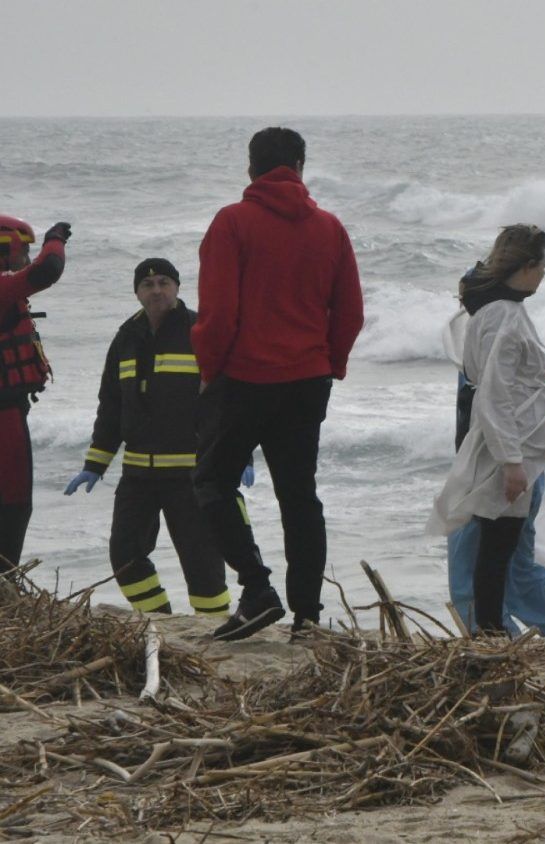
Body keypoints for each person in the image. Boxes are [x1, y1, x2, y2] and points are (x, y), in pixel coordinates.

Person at [193, 127, 365, 641]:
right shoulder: (330, 228)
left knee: (211, 484)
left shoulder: (232, 222)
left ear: (251, 167)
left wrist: (209, 371)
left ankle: (257, 589)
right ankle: (308, 617)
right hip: (307, 380)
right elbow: (350, 313)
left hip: (245, 377)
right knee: (299, 496)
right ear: (301, 165)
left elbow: (218, 313)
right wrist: (329, 364)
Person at [65, 259, 246, 616]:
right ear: (137, 292)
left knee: (202, 561)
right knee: (124, 556)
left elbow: (226, 400)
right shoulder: (125, 337)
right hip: (138, 476)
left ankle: (213, 627)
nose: (156, 291)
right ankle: (159, 621)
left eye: (164, 282)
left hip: (190, 474)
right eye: (148, 285)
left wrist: (239, 455)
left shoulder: (200, 331)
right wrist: (95, 464)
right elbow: (111, 405)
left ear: (177, 287)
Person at [428, 224, 545, 637]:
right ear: (529, 265)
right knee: (498, 548)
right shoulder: (504, 315)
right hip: (508, 445)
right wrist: (511, 461)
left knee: (496, 545)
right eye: (544, 267)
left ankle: (489, 629)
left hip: (506, 441)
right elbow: (495, 394)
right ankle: (491, 631)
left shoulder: (490, 310)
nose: (542, 276)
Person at [443, 310, 545, 638]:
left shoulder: (491, 350)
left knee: (469, 579)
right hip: (520, 468)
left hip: (496, 472)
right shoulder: (500, 342)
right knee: (519, 572)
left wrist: (513, 463)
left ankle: (500, 642)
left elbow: (502, 412)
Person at [0, 215, 69, 573]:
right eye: (21, 252)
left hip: (10, 411)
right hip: (3, 416)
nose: (26, 260)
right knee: (14, 504)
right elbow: (48, 269)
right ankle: (5, 580)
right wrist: (55, 238)